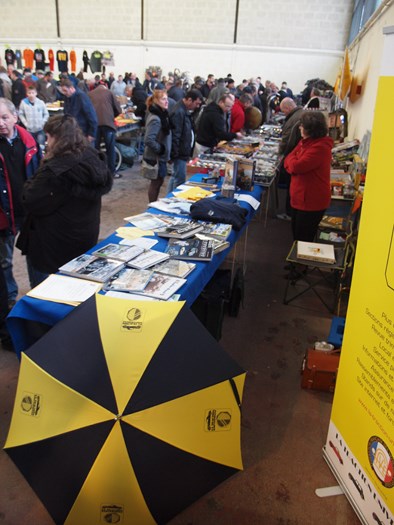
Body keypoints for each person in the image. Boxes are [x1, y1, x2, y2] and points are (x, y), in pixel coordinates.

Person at [16, 114, 113, 287]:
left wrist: (35, 177)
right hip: (82, 238)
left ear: (56, 138)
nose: (46, 142)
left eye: (47, 137)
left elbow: (30, 199)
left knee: (45, 298)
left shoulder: (55, 171)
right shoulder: (91, 156)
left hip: (52, 247)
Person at [0, 98, 41, 307]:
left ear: (15, 117)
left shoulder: (30, 142)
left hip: (28, 210)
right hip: (4, 214)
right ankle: (8, 299)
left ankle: (37, 293)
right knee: (4, 261)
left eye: (5, 117)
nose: (1, 123)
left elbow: (40, 172)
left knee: (34, 255)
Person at [284, 111, 333, 242]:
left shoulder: (320, 148)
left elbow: (295, 166)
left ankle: (300, 262)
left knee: (304, 238)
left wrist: (291, 164)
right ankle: (296, 261)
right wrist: (291, 163)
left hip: (311, 201)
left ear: (310, 129)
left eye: (302, 126)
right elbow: (289, 158)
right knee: (297, 234)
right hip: (301, 198)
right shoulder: (306, 142)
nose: (300, 128)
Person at [167, 89, 203, 193]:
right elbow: (176, 135)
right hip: (179, 153)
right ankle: (173, 201)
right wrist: (175, 154)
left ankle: (169, 199)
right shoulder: (179, 112)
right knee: (179, 179)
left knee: (175, 177)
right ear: (189, 100)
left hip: (182, 151)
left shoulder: (183, 110)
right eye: (196, 103)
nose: (197, 106)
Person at [276, 97, 304, 221]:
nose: (284, 113)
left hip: (293, 157)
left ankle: (289, 212)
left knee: (290, 185)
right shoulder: (300, 114)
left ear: (288, 108)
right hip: (295, 155)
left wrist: (280, 154)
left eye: (284, 111)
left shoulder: (294, 119)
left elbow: (287, 141)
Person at [143, 89, 172, 203]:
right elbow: (148, 139)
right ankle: (152, 206)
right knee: (156, 183)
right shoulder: (156, 118)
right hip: (156, 157)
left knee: (158, 182)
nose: (166, 102)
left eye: (167, 99)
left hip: (160, 156)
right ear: (156, 100)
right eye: (163, 99)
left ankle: (153, 204)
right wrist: (160, 149)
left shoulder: (162, 115)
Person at [89, 83, 122, 177]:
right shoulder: (109, 93)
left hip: (94, 125)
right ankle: (112, 172)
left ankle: (94, 172)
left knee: (95, 149)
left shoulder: (90, 94)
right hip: (108, 125)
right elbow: (118, 110)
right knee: (110, 149)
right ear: (105, 87)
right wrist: (111, 116)